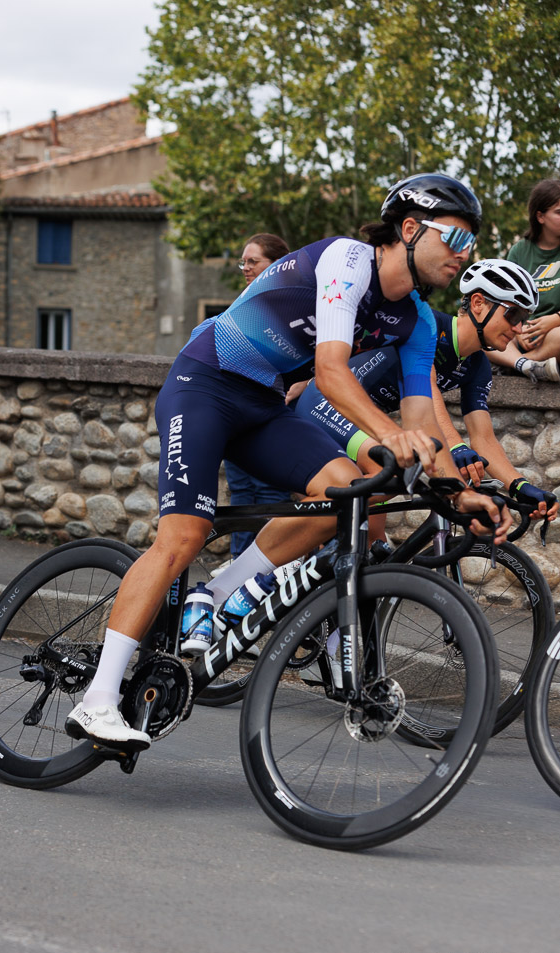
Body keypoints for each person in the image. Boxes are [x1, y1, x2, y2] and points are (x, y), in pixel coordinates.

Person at [64, 172, 511, 750]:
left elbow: (424, 423)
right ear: (408, 229)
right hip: (204, 383)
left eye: (471, 242)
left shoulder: (418, 320)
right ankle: (97, 698)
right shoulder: (349, 262)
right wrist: (388, 433)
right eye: (454, 239)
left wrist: (460, 495)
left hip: (262, 405)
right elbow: (331, 372)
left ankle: (223, 593)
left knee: (353, 491)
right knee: (183, 536)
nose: (464, 253)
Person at [293, 258, 558, 532]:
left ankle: (336, 552)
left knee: (373, 541)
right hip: (326, 405)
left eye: (524, 319)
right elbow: (429, 400)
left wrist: (520, 486)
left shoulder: (478, 366)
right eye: (513, 315)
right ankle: (302, 540)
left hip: (362, 418)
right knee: (398, 466)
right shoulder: (429, 327)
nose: (519, 328)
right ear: (478, 304)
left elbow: (483, 437)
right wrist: (455, 448)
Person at [224, 233, 293, 560]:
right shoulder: (245, 300)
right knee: (241, 496)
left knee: (269, 496)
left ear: (276, 263)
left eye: (253, 261)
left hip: (269, 411)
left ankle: (267, 577)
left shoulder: (291, 302)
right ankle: (235, 578)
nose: (245, 268)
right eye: (244, 262)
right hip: (236, 409)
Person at [483, 178, 560, 382]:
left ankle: (519, 365)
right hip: (520, 331)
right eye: (559, 212)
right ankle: (528, 365)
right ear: (540, 216)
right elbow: (507, 299)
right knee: (479, 328)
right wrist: (518, 330)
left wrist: (555, 319)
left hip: (554, 334)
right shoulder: (520, 251)